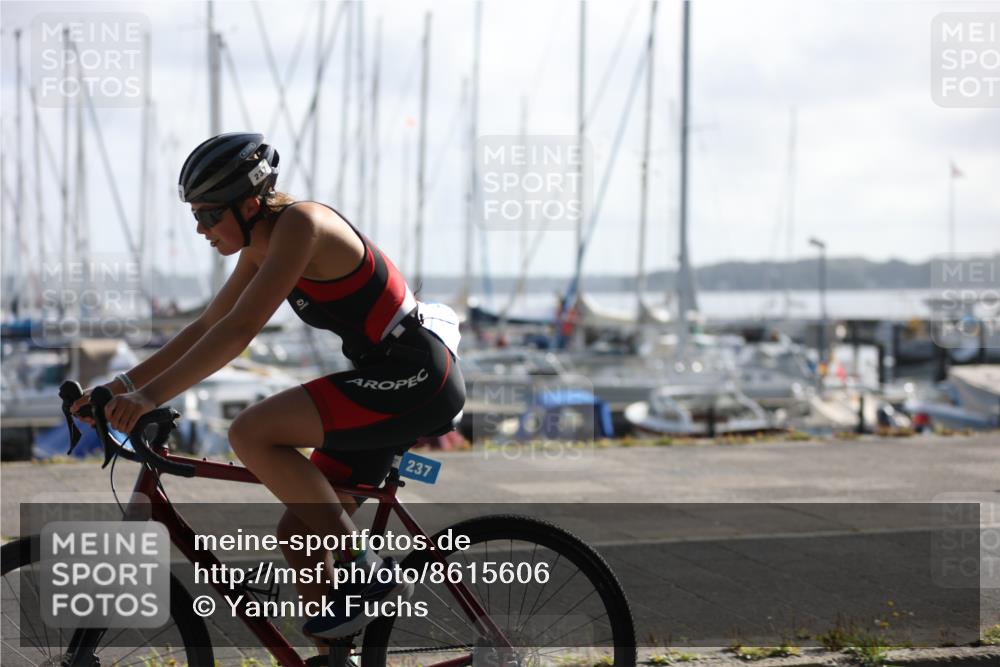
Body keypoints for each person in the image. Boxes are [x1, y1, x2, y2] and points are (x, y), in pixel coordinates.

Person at [71, 132, 465, 642]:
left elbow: (239, 331)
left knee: (251, 432)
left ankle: (365, 568)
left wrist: (148, 398)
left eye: (210, 214)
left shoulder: (302, 225)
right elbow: (209, 324)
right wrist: (120, 385)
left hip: (416, 374)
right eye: (195, 214)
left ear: (250, 203)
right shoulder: (261, 245)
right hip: (387, 378)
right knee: (300, 536)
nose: (200, 228)